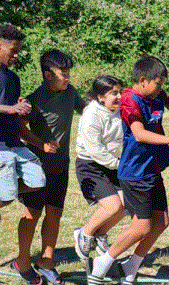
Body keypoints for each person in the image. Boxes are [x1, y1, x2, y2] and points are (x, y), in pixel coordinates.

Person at [86, 56, 169, 285]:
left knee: (161, 222)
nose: (161, 89)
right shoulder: (130, 101)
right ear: (143, 80)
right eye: (157, 83)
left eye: (162, 84)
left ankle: (130, 267)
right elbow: (140, 134)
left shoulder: (155, 95)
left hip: (152, 169)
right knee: (141, 226)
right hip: (135, 173)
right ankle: (101, 264)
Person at [16, 49, 86, 285]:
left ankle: (46, 262)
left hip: (61, 167)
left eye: (68, 74)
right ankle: (23, 262)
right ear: (47, 74)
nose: (67, 78)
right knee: (32, 213)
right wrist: (41, 144)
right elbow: (20, 128)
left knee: (55, 213)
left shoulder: (71, 93)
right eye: (62, 74)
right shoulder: (34, 101)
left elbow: (85, 111)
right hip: (37, 168)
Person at [0, 25, 45, 245]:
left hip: (13, 140)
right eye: (13, 50)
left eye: (18, 50)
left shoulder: (13, 78)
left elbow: (10, 107)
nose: (16, 54)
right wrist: (10, 109)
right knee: (8, 195)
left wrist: (21, 107)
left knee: (37, 180)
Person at [73, 75, 125, 263]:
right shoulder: (91, 115)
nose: (119, 96)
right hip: (91, 165)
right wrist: (120, 165)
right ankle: (85, 234)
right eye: (114, 93)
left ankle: (101, 234)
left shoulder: (117, 110)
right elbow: (96, 151)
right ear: (100, 97)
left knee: (125, 204)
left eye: (120, 91)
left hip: (112, 163)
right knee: (113, 206)